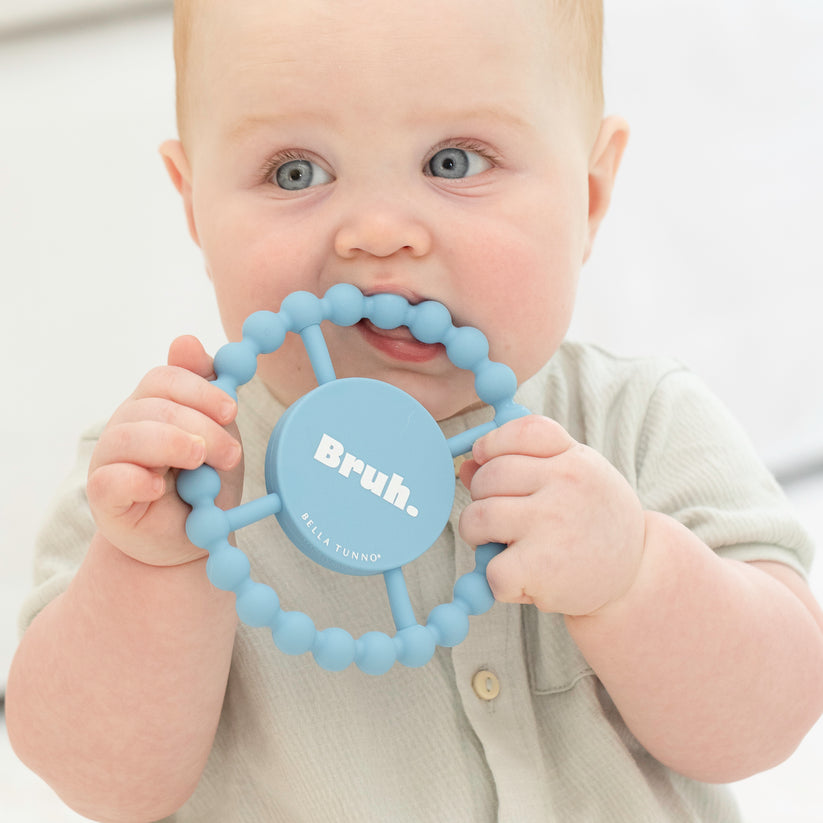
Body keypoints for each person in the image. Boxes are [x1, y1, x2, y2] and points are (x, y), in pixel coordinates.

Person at [7, 0, 823, 821]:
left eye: (455, 161)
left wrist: (636, 574)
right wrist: (151, 571)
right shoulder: (166, 478)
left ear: (588, 195)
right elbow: (97, 780)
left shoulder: (640, 423)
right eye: (296, 172)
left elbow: (771, 716)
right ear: (195, 209)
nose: (378, 232)